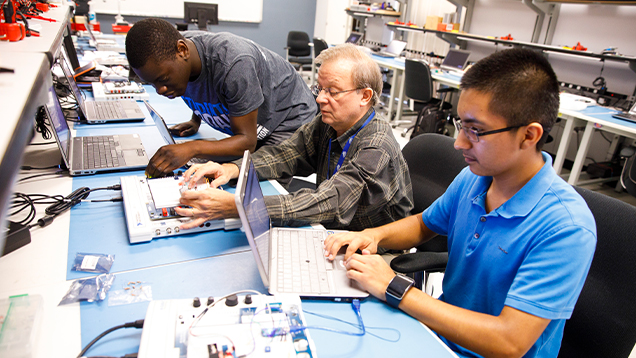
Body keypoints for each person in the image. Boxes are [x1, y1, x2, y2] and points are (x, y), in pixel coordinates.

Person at [324, 48, 596, 358]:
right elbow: (423, 224)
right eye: (460, 125)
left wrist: (393, 287)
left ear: (528, 135)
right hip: (437, 335)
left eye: (476, 131)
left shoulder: (566, 227)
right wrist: (374, 236)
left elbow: (509, 343)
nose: (459, 143)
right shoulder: (474, 178)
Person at [174, 44, 413, 231]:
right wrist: (232, 169)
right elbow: (285, 154)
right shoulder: (328, 123)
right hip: (333, 229)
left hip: (373, 248)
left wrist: (242, 207)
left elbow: (331, 201)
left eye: (333, 91)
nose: (320, 99)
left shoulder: (376, 144)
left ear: (365, 96)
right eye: (319, 89)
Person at [125, 18, 317, 177]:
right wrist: (196, 119)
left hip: (288, 120)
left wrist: (192, 148)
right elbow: (203, 82)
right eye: (152, 84)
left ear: (182, 51)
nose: (160, 90)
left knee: (249, 185)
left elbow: (247, 142)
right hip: (255, 127)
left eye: (163, 79)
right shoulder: (178, 55)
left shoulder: (234, 63)